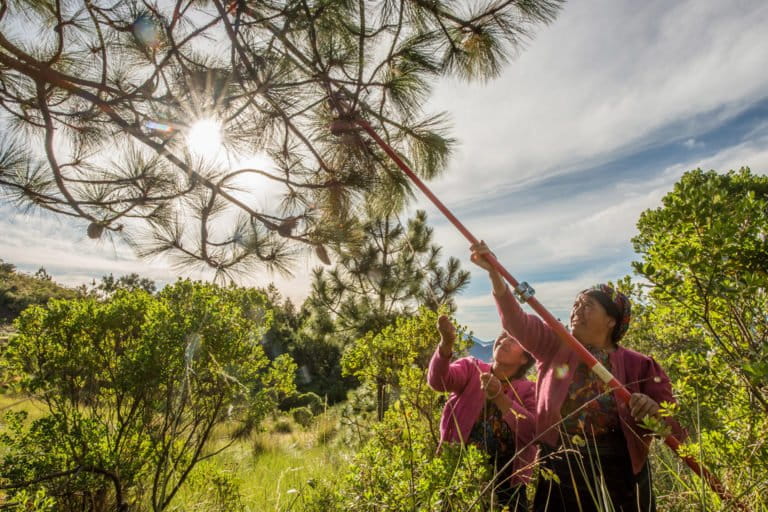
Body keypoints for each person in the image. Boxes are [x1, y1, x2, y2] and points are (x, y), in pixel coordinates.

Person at [470, 241, 685, 512]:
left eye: (588, 305)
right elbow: (517, 322)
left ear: (611, 321)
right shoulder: (554, 344)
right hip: (561, 463)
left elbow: (673, 425)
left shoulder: (640, 365)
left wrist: (653, 410)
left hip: (622, 471)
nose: (576, 310)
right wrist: (495, 275)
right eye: (576, 304)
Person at [428, 314, 537, 511]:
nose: (503, 341)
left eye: (513, 340)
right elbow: (438, 381)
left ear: (524, 358)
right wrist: (446, 345)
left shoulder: (529, 390)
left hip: (507, 479)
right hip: (460, 470)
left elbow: (532, 432)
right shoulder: (472, 368)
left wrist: (499, 397)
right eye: (504, 336)